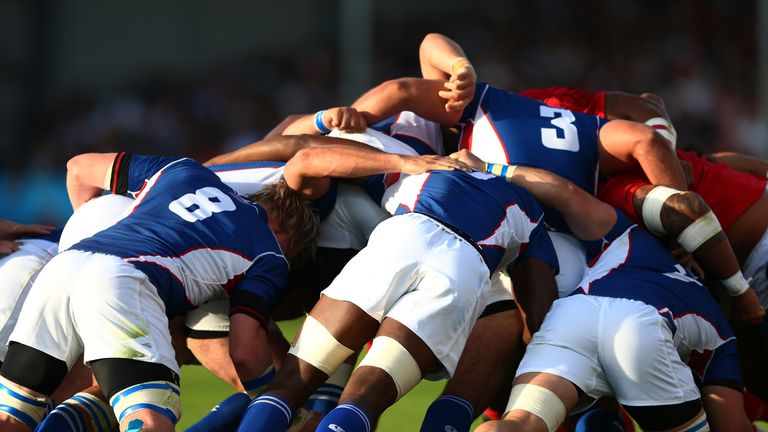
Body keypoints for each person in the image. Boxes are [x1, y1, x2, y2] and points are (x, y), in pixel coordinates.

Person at [239, 141, 558, 432]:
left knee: (289, 384)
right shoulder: (530, 209)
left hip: (401, 237)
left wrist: (400, 161)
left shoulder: (431, 165)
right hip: (461, 267)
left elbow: (312, 156)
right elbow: (539, 316)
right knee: (362, 400)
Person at [0, 151, 318, 432]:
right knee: (150, 419)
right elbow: (246, 354)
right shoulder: (270, 253)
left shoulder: (185, 171)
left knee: (13, 416)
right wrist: (275, 405)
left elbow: (79, 166)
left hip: (65, 265)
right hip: (123, 280)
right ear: (286, 233)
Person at [450, 150, 752, 432]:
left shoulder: (630, 236)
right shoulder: (722, 329)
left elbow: (564, 193)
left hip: (571, 318)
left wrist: (488, 167)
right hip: (641, 327)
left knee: (521, 423)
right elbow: (732, 423)